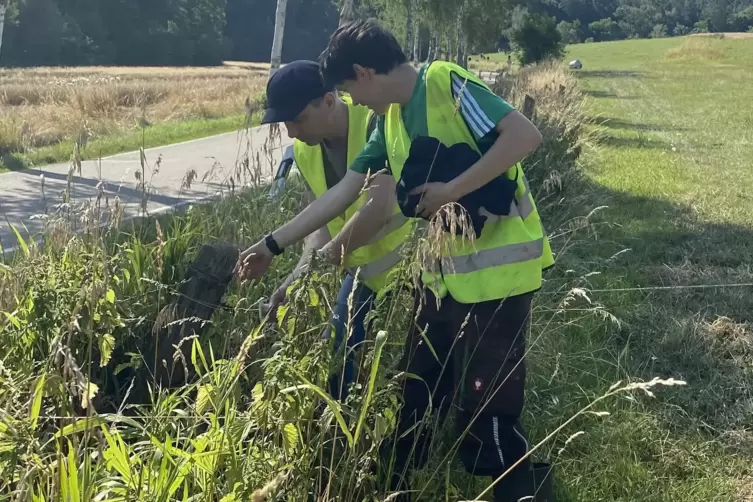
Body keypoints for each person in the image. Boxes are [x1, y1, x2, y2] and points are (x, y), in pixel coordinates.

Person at [237, 21, 555, 501]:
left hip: (500, 279)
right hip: (443, 280)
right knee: (415, 389)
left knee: (485, 405)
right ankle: (392, 486)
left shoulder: (444, 83)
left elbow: (523, 136)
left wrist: (452, 189)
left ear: (364, 73)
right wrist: (272, 245)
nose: (352, 102)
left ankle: (521, 489)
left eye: (348, 89)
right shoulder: (389, 121)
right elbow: (345, 192)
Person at [248, 60, 413, 401]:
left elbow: (378, 210)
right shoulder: (308, 151)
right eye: (285, 124)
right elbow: (321, 227)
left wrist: (321, 266)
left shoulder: (375, 122)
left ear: (328, 100)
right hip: (359, 267)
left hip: (409, 267)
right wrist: (293, 281)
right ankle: (341, 433)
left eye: (297, 119)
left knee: (362, 351)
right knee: (339, 350)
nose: (291, 133)